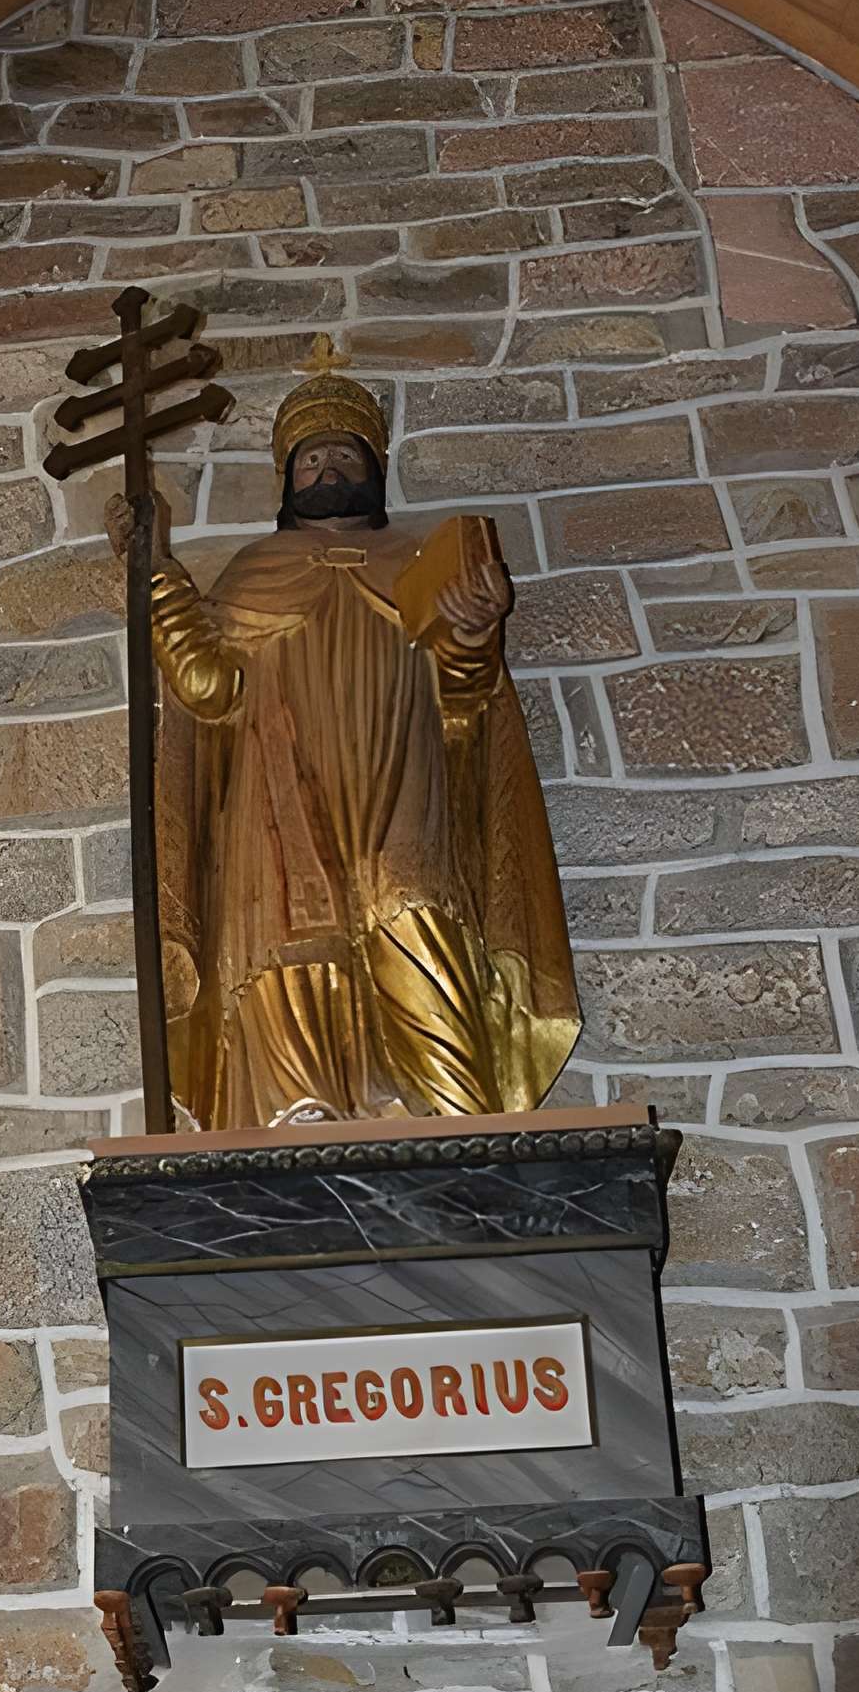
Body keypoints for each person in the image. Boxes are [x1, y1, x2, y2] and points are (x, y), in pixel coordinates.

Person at [103, 341, 580, 1131]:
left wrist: (473, 632)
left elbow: (465, 707)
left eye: (344, 455)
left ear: (374, 470)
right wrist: (155, 575)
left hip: (403, 785)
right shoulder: (254, 571)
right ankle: (298, 1114)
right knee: (289, 937)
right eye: (310, 459)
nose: (327, 469)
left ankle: (461, 1127)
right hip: (276, 795)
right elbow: (207, 690)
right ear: (287, 479)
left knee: (416, 915)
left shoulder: (419, 565)